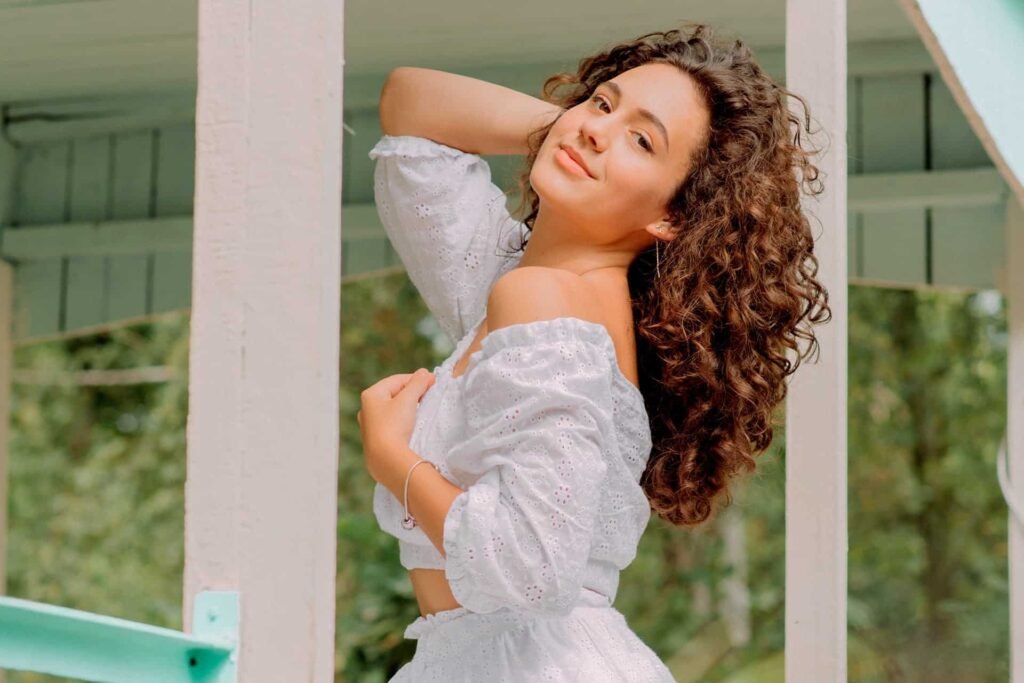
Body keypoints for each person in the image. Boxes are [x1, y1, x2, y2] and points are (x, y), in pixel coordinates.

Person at [356, 22, 831, 681]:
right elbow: (411, 107)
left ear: (672, 215)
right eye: (603, 102)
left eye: (644, 141)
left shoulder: (543, 302)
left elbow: (530, 570)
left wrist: (393, 459)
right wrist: (579, 131)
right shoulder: (526, 290)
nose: (599, 130)